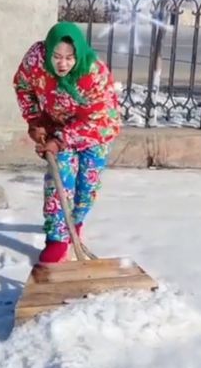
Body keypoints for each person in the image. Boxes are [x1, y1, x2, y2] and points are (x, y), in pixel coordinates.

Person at [13, 22, 121, 264]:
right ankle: (57, 238)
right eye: (57, 56)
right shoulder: (36, 60)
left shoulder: (94, 72)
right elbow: (23, 86)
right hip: (57, 127)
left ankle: (76, 221)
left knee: (85, 187)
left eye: (69, 58)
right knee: (60, 181)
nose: (62, 64)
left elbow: (96, 117)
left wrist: (60, 140)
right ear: (48, 51)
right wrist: (35, 120)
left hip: (95, 131)